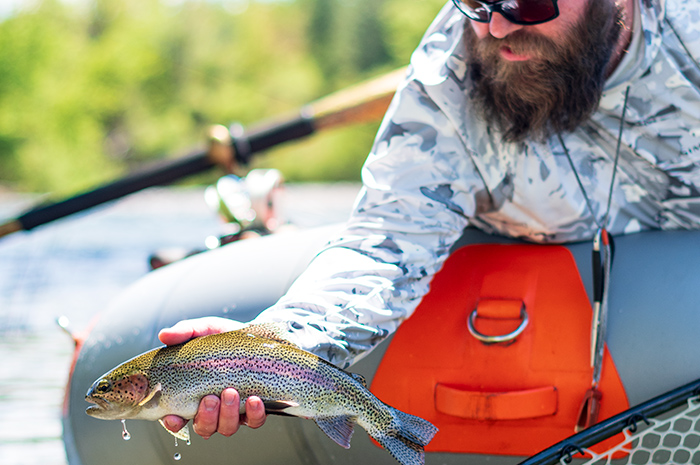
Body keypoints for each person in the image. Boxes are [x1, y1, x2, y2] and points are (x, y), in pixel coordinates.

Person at [159, 0, 700, 440]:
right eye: (477, 2)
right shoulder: (446, 80)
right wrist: (268, 347)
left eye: (531, 3)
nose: (498, 26)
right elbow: (385, 244)